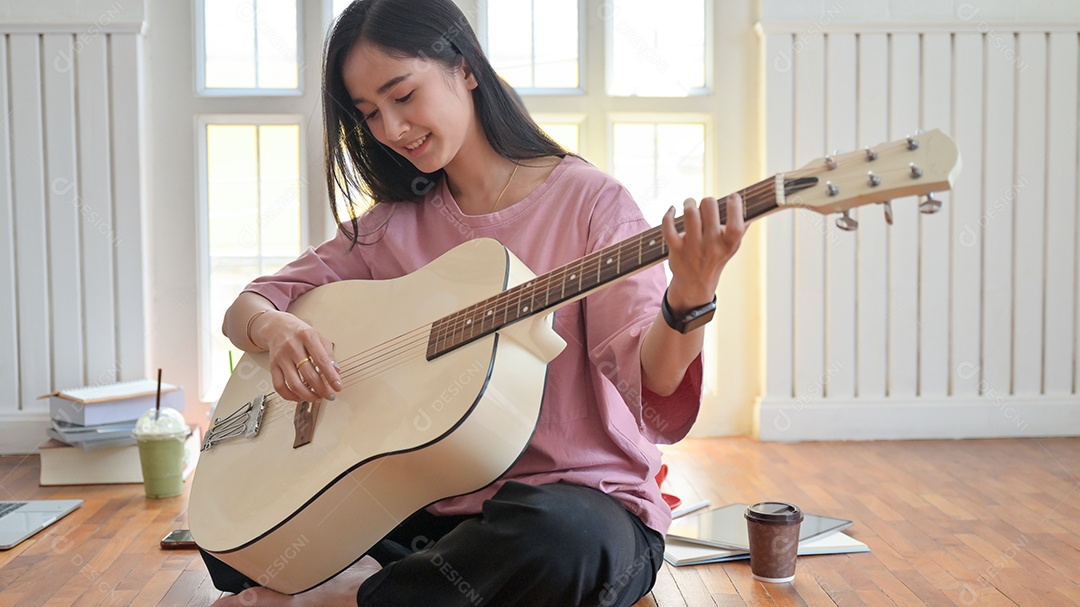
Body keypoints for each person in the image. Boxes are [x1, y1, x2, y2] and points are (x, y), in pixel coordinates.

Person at [204, 0, 746, 605]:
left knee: (563, 540)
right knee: (239, 527)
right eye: (369, 114)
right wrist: (275, 329)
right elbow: (247, 307)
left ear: (464, 67)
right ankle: (396, 590)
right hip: (431, 515)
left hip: (571, 502)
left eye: (402, 95)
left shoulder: (592, 204)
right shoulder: (391, 225)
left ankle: (336, 597)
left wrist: (690, 296)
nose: (389, 129)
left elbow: (652, 384)